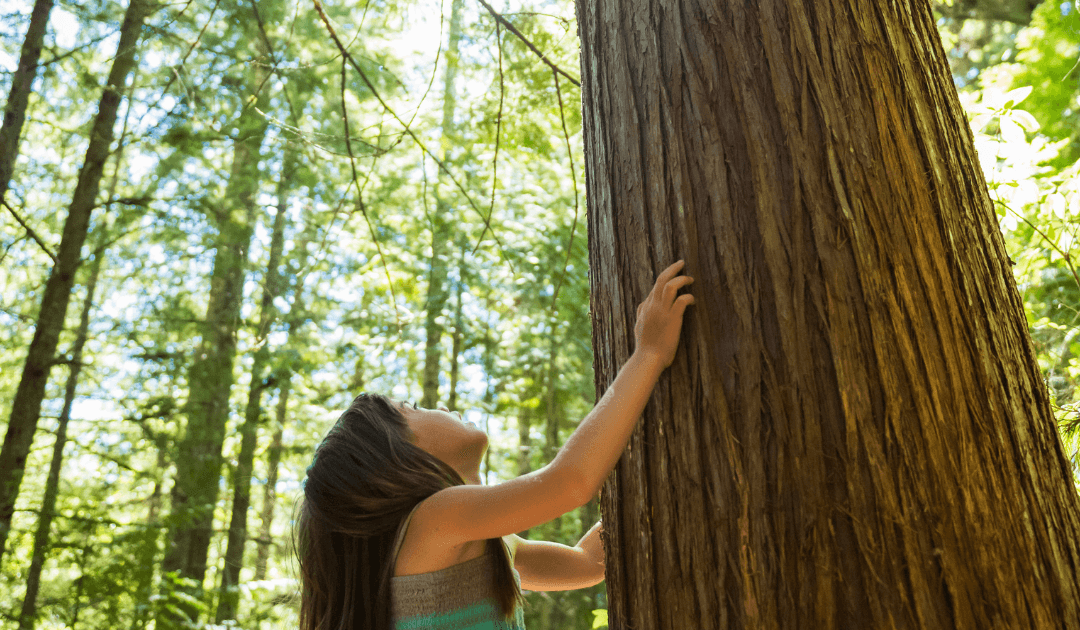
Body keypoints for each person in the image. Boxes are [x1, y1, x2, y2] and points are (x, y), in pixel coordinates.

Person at [295, 259, 696, 630]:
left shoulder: (483, 542)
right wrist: (649, 352)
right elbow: (570, 482)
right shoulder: (437, 518)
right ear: (397, 457)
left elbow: (588, 564)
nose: (439, 405)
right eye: (413, 407)